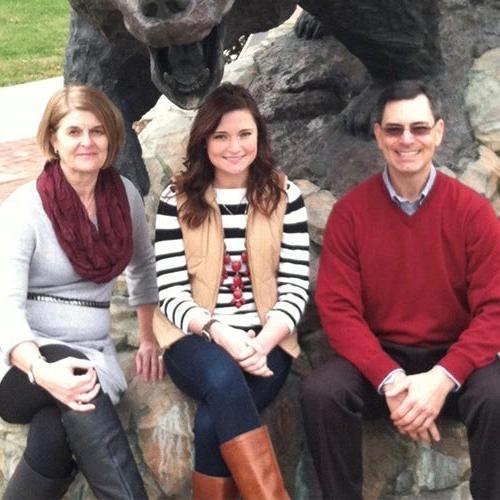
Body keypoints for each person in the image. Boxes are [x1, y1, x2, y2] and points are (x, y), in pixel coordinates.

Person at [301, 80, 500, 500]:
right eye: (394, 130)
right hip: (382, 358)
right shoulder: (350, 214)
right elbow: (338, 310)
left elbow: (494, 311)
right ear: (377, 135)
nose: (407, 140)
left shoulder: (474, 213)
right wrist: (391, 380)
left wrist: (441, 380)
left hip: (454, 361)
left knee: (498, 396)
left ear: (439, 132)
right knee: (322, 393)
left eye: (419, 128)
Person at [0, 85, 163, 499]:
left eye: (97, 131)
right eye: (73, 132)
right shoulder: (24, 209)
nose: (87, 142)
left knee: (55, 436)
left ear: (111, 137)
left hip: (92, 352)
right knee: (72, 373)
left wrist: (147, 338)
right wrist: (41, 370)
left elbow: (143, 267)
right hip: (21, 363)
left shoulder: (123, 195)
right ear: (53, 140)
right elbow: (5, 305)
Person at [154, 83, 310, 500]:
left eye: (244, 134)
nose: (234, 146)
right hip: (195, 339)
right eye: (220, 136)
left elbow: (295, 284)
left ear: (259, 136)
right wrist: (220, 332)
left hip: (268, 339)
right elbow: (170, 289)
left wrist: (262, 343)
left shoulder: (284, 195)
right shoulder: (178, 199)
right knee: (222, 376)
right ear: (204, 141)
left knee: (210, 424)